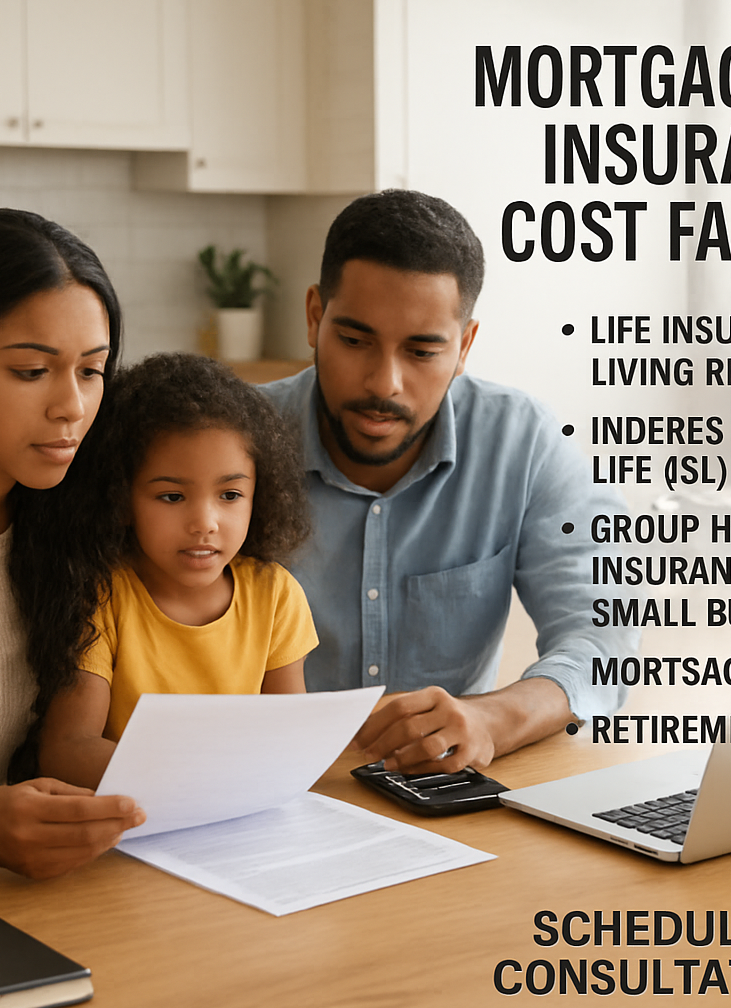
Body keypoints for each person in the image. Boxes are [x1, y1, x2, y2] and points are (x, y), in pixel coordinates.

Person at [262, 190, 636, 775]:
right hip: (268, 787)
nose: (384, 383)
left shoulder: (525, 441)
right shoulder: (237, 440)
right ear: (315, 317)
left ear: (464, 346)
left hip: (445, 788)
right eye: (355, 341)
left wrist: (493, 718)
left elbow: (601, 637)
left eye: (421, 351)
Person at [0, 208, 145, 883]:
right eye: (31, 370)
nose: (71, 406)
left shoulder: (76, 538)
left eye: (91, 371)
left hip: (1, 904)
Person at [38, 353, 317, 790]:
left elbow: (290, 740)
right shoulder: (101, 595)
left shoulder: (276, 594)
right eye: (172, 497)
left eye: (230, 495)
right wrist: (196, 778)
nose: (205, 523)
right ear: (121, 500)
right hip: (136, 818)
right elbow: (68, 750)